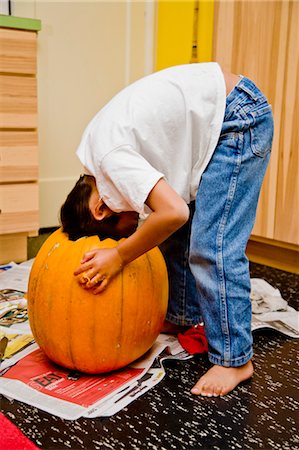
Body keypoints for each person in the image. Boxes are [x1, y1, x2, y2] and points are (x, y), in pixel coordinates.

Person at [60, 62, 274, 397]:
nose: (134, 227)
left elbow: (172, 212)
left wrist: (119, 255)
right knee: (172, 234)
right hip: (223, 116)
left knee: (212, 246)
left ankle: (235, 359)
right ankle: (181, 315)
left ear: (100, 209)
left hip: (237, 120)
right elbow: (173, 214)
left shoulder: (111, 160)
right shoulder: (97, 158)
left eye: (125, 228)